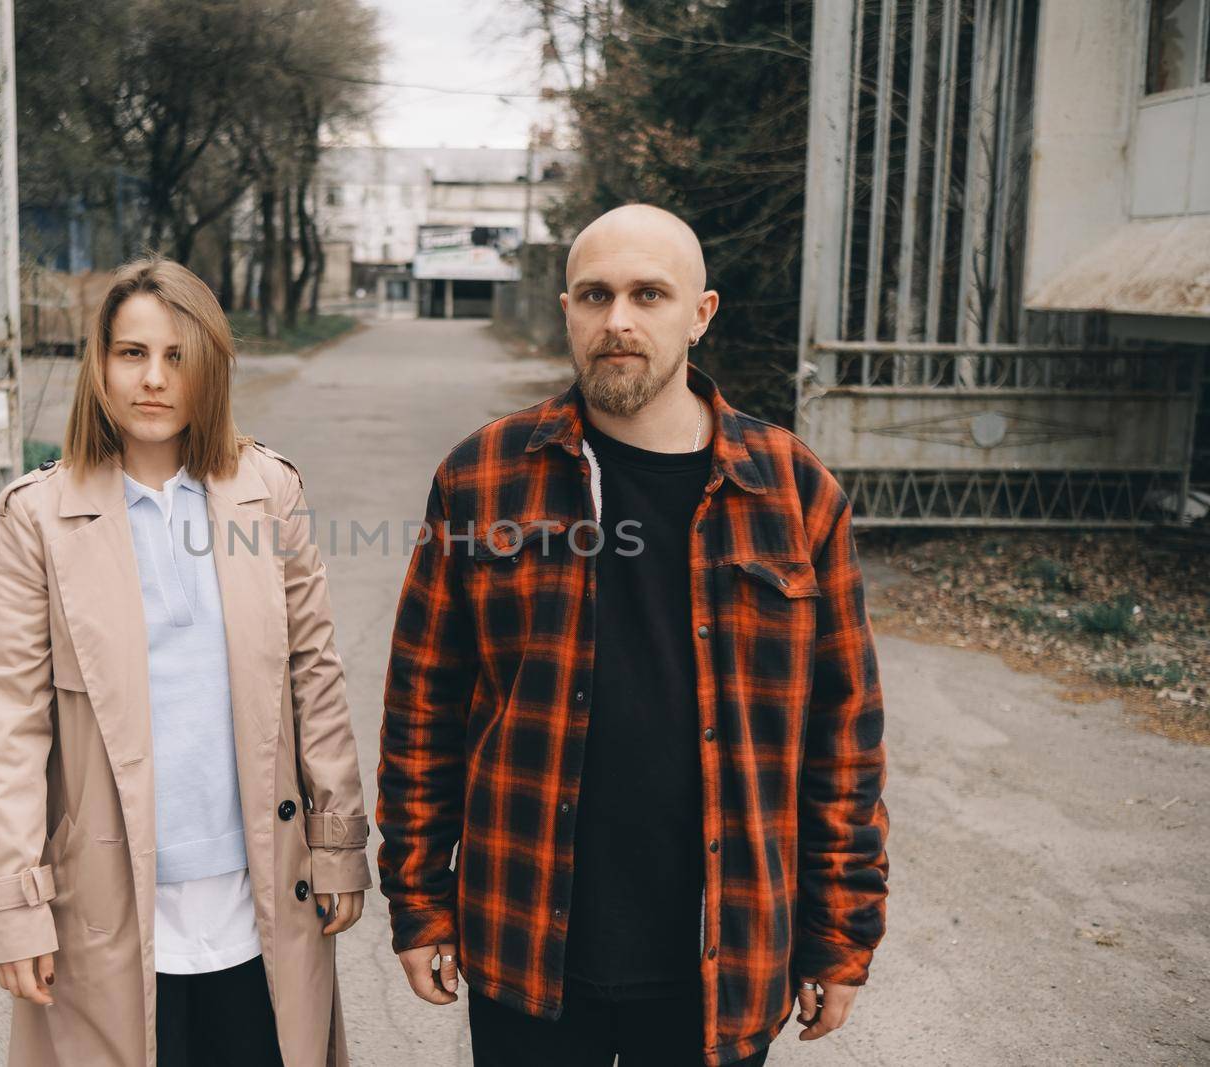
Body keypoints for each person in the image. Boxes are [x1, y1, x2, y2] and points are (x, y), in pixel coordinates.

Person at [376, 204, 889, 1066]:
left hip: (718, 959)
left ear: (701, 313)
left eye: (649, 294)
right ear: (567, 309)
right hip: (524, 946)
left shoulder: (796, 491)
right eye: (595, 294)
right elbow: (420, 708)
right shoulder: (482, 476)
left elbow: (844, 737)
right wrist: (419, 901)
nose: (618, 319)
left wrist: (840, 932)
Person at [0, 257, 370, 1066]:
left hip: (260, 892)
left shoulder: (268, 490)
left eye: (177, 356)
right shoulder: (39, 516)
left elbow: (315, 677)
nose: (153, 378)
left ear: (210, 367)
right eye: (131, 353)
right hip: (107, 904)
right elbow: (10, 722)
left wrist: (337, 842)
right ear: (100, 365)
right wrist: (15, 904)